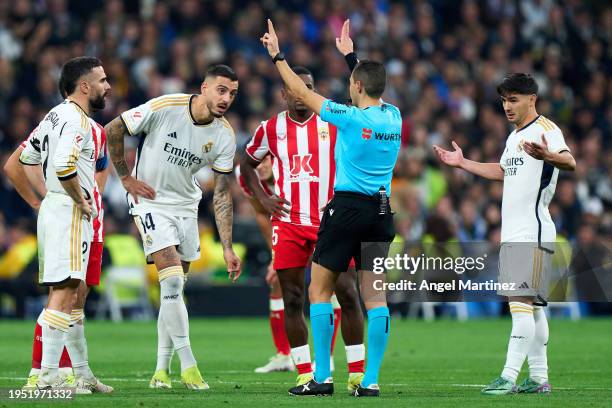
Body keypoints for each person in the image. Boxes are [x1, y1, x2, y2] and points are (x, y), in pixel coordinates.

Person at [261, 19, 402, 397]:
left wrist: (277, 55)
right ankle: (369, 381)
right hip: (383, 212)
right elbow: (369, 85)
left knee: (319, 291)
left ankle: (321, 378)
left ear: (356, 87)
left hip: (347, 209)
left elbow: (299, 92)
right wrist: (351, 57)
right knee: (375, 298)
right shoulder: (394, 117)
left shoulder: (350, 118)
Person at [433, 73, 576, 395]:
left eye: (513, 100)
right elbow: (504, 171)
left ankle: (508, 376)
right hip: (516, 232)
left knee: (520, 302)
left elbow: (570, 161)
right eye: (503, 100)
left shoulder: (546, 130)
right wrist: (463, 163)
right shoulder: (514, 137)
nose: (507, 107)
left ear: (531, 100)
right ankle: (539, 378)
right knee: (533, 307)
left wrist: (548, 155)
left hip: (533, 230)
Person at [104, 64, 242, 391]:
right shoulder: (167, 107)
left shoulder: (224, 134)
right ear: (204, 87)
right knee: (172, 278)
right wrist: (125, 176)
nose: (226, 99)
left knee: (173, 290)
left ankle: (160, 371)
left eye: (233, 94)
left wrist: (226, 246)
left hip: (186, 207)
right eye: (221, 90)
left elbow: (222, 193)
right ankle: (189, 364)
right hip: (149, 201)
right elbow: (113, 128)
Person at [240, 64, 364, 388]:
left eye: (306, 87)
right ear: (284, 94)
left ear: (313, 90)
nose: (300, 94)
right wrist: (264, 199)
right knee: (294, 298)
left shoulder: (332, 121)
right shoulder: (270, 129)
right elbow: (246, 162)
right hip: (289, 223)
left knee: (348, 293)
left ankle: (357, 374)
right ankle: (306, 373)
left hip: (331, 223)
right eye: (294, 88)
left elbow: (366, 112)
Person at [16, 56, 112, 391]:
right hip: (70, 212)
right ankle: (45, 377)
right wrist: (77, 197)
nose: (108, 86)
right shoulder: (76, 121)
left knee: (68, 292)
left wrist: (46, 198)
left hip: (56, 209)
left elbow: (27, 159)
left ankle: (73, 373)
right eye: (102, 80)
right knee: (64, 292)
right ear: (84, 86)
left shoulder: (55, 115)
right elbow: (64, 165)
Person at [235, 158, 295, 373]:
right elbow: (261, 214)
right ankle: (284, 355)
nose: (260, 165)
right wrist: (276, 255)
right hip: (285, 229)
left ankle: (329, 359)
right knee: (277, 282)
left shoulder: (291, 168)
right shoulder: (245, 175)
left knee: (329, 286)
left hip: (315, 222)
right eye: (256, 161)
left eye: (265, 159)